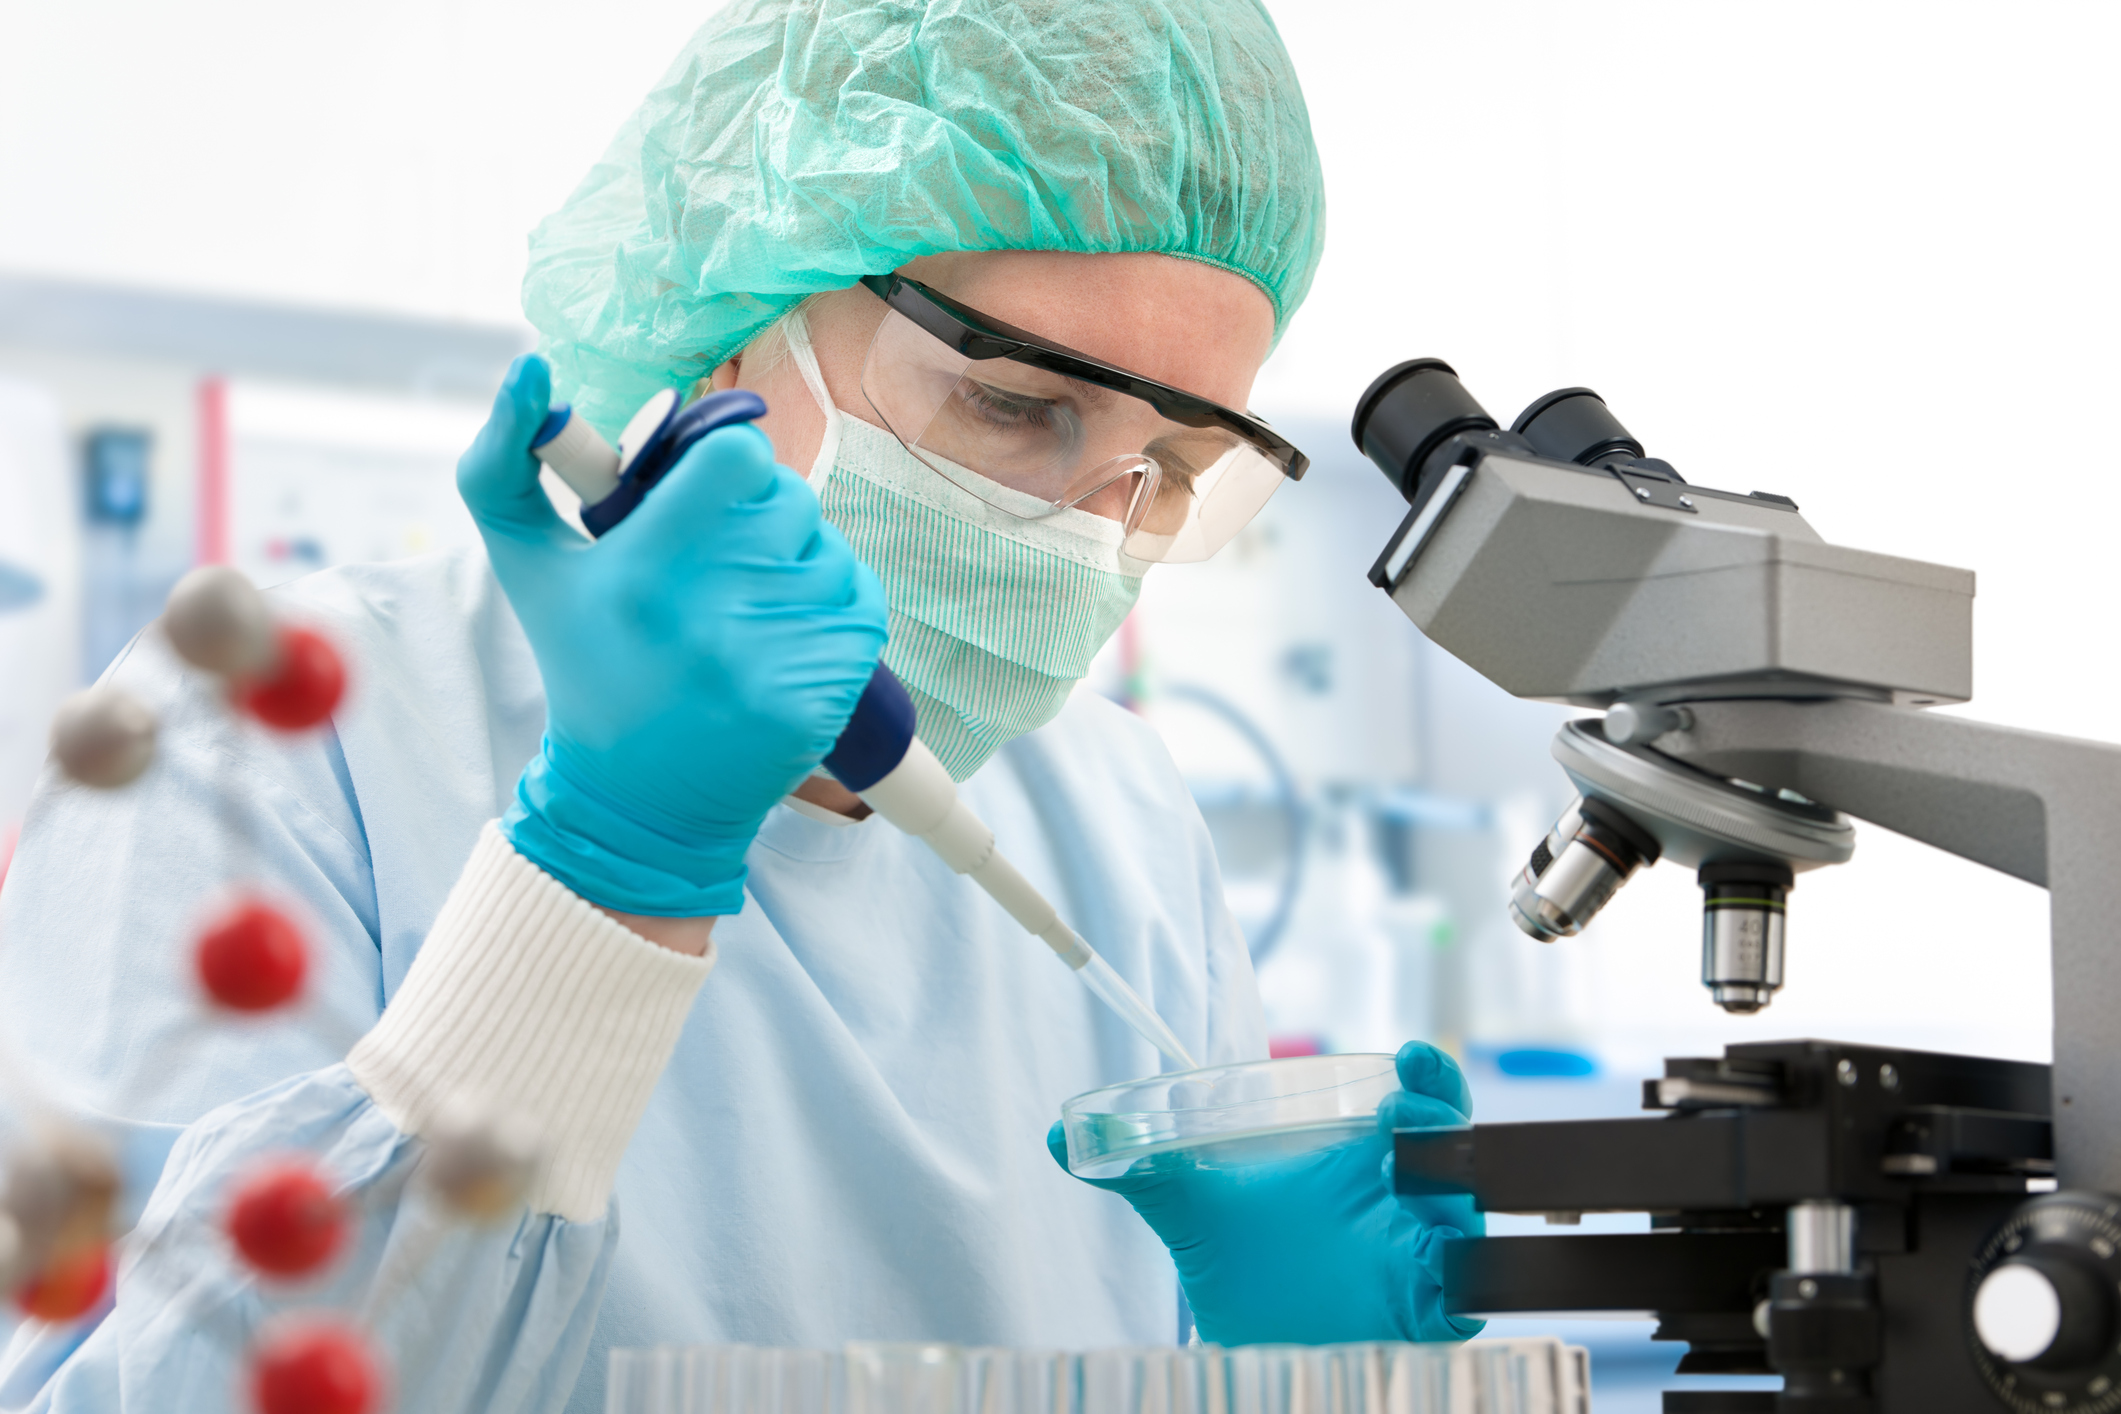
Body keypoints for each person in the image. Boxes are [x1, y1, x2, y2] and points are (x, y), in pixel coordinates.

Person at [0, 2, 1481, 1409]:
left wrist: (1301, 1368)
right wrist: (598, 875)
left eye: (1168, 467)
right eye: (1016, 404)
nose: (1085, 528)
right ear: (736, 307)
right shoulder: (275, 728)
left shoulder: (1122, 816)